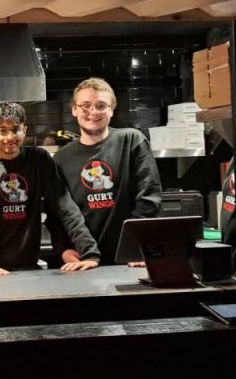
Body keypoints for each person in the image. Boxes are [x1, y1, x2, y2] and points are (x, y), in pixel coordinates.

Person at [0, 101, 99, 275]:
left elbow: (64, 206)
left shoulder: (39, 159)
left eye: (15, 130)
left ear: (24, 130)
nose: (10, 137)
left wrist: (90, 254)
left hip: (29, 268)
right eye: (2, 130)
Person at [53, 77, 162, 265]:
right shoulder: (61, 159)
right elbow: (58, 213)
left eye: (101, 105)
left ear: (112, 109)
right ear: (74, 109)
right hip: (82, 260)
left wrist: (136, 246)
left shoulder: (131, 140)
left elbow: (149, 196)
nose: (93, 112)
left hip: (130, 259)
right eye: (85, 105)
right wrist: (64, 249)